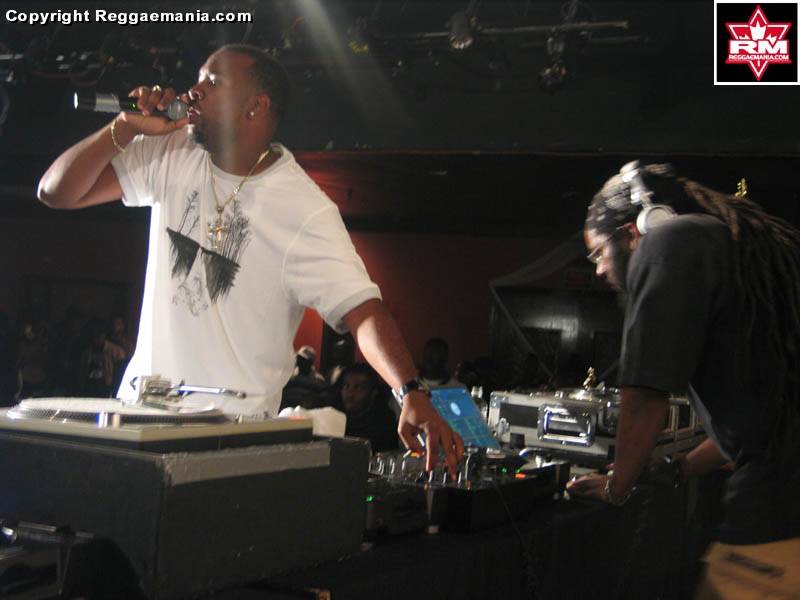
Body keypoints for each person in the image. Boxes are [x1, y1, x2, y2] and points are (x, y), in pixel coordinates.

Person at [37, 44, 462, 473]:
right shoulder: (169, 153)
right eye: (198, 79)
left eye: (213, 82)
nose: (194, 90)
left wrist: (409, 390)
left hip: (226, 442)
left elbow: (363, 311)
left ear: (255, 107)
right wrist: (124, 127)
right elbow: (56, 192)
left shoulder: (304, 210)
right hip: (138, 422)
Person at [568, 161, 800, 598]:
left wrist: (618, 488)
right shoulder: (732, 249)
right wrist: (680, 466)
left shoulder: (668, 242)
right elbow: (757, 422)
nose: (598, 270)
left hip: (780, 498)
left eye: (598, 253)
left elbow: (645, 396)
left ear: (633, 232)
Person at [335, 362, 398, 453]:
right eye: (346, 386)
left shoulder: (384, 421)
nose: (350, 394)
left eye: (358, 388)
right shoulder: (334, 416)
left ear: (373, 392)